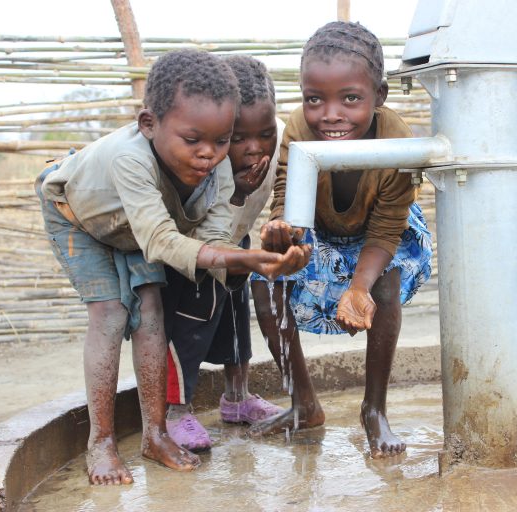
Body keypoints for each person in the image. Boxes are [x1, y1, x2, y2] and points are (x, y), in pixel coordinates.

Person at [35, 48, 310, 485]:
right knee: (110, 315)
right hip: (80, 217)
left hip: (135, 229)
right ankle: (101, 444)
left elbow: (212, 246)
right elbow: (164, 241)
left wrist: (259, 266)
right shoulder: (131, 159)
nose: (209, 154)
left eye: (222, 141)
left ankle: (155, 434)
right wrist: (246, 259)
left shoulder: (216, 169)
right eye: (193, 140)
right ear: (149, 125)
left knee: (151, 316)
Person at [249, 21, 433, 458]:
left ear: (379, 96)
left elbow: (388, 226)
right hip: (321, 228)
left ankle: (374, 408)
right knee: (263, 283)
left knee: (383, 287)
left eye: (350, 98)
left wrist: (358, 287)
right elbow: (286, 195)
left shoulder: (395, 138)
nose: (330, 114)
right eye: (315, 99)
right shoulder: (298, 129)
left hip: (384, 233)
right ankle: (304, 403)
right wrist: (282, 231)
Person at [162, 55, 287, 452]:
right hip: (194, 250)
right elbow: (189, 222)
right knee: (189, 323)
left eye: (263, 134)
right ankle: (177, 411)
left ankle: (237, 398)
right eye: (237, 138)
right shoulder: (199, 156)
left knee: (235, 316)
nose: (253, 148)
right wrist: (236, 192)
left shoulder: (280, 139)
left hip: (238, 241)